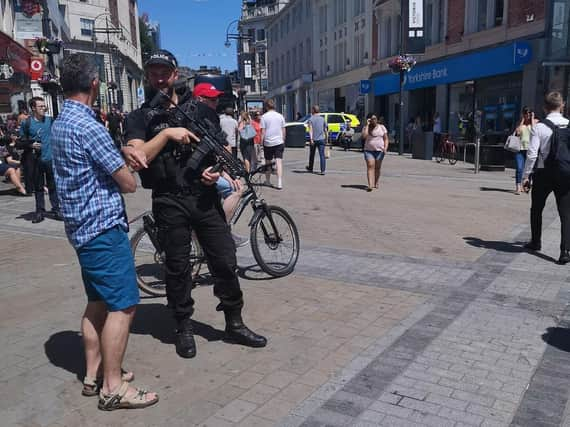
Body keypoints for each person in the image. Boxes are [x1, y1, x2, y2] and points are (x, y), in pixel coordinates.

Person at [124, 49, 267, 359]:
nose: (160, 77)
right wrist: (166, 135)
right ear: (148, 76)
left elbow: (219, 153)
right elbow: (137, 158)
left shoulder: (200, 111)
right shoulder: (138, 118)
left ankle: (234, 321)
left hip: (203, 198)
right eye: (154, 72)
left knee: (225, 259)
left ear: (175, 75)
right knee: (177, 267)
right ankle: (183, 327)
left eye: (165, 71)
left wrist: (213, 171)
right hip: (168, 198)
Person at [50, 53, 158, 411]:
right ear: (94, 84)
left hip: (80, 228)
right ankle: (113, 387)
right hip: (102, 229)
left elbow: (95, 165)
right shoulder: (89, 126)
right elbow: (127, 184)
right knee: (124, 305)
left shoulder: (62, 121)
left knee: (97, 302)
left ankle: (93, 374)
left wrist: (119, 151)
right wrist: (127, 157)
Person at [522, 91, 570, 264]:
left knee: (536, 208)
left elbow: (532, 155)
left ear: (544, 107)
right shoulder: (569, 125)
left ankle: (536, 242)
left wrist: (526, 176)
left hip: (543, 174)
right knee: (566, 213)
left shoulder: (539, 127)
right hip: (565, 174)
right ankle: (565, 251)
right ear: (562, 105)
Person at [19, 96, 60, 223]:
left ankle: (57, 209)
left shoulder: (50, 120)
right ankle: (40, 212)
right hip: (36, 160)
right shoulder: (27, 123)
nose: (44, 108)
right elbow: (21, 141)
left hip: (50, 158)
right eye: (41, 106)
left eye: (44, 106)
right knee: (39, 187)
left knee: (53, 186)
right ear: (33, 108)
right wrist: (30, 145)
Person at [260, 98, 286, 189]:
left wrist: (261, 142)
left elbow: (263, 131)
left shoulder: (264, 117)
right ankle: (279, 183)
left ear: (266, 106)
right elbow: (283, 130)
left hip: (268, 142)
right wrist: (283, 140)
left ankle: (268, 181)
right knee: (279, 162)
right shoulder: (280, 116)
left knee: (268, 162)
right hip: (279, 142)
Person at [362, 113, 389, 192]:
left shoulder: (382, 127)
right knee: (370, 166)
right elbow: (364, 137)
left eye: (375, 119)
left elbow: (386, 139)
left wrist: (385, 148)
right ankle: (370, 185)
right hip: (368, 150)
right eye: (372, 119)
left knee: (377, 167)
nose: (374, 120)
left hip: (380, 151)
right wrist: (367, 125)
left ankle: (376, 182)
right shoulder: (366, 128)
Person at [514, 107, 537, 194]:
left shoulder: (535, 122)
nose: (527, 115)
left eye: (529, 114)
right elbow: (518, 133)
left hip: (530, 150)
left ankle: (526, 186)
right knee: (519, 168)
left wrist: (532, 119)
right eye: (525, 114)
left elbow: (535, 132)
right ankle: (518, 187)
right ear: (523, 114)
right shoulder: (520, 123)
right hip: (520, 149)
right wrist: (522, 121)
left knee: (529, 169)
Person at [305, 105, 327, 175]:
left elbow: (310, 130)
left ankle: (310, 168)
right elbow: (325, 130)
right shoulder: (323, 119)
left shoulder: (311, 119)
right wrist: (326, 138)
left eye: (312, 110)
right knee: (322, 155)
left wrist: (311, 139)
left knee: (312, 154)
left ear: (313, 110)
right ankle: (322, 170)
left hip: (314, 140)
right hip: (321, 139)